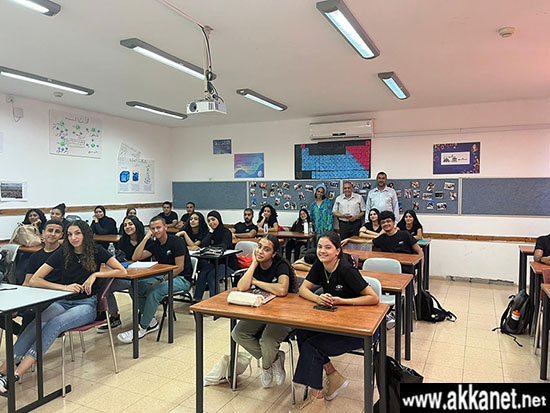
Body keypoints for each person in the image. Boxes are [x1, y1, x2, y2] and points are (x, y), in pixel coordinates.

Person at [0, 221, 127, 393]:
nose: (73, 237)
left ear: (85, 234)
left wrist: (96, 274)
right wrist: (64, 288)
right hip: (62, 301)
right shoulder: (63, 252)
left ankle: (14, 375)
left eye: (77, 233)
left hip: (86, 304)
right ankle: (4, 370)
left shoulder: (97, 251)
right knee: (37, 323)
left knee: (55, 323)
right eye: (69, 234)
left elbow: (122, 271)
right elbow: (35, 279)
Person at [292, 231, 379, 412]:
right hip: (337, 322)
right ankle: (332, 376)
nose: (322, 251)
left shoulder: (346, 270)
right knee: (302, 333)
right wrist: (317, 298)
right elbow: (303, 289)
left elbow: (373, 298)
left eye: (328, 247)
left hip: (361, 328)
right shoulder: (320, 264)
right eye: (319, 247)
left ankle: (316, 398)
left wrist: (343, 301)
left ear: (338, 251)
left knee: (313, 347)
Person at [231, 235, 295, 388]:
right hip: (262, 311)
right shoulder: (257, 264)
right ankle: (275, 359)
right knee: (238, 333)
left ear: (273, 254)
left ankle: (266, 367)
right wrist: (253, 263)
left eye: (266, 249)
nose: (260, 251)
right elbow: (241, 287)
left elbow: (282, 289)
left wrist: (256, 282)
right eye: (259, 246)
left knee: (267, 341)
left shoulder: (281, 266)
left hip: (284, 314)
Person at [117, 216, 192, 343]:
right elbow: (136, 257)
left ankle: (142, 328)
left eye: (158, 227)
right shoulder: (154, 244)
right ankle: (151, 321)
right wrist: (146, 238)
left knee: (155, 291)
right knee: (135, 286)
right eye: (153, 228)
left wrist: (161, 281)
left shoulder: (176, 241)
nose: (156, 231)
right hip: (163, 276)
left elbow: (179, 267)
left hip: (182, 278)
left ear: (165, 227)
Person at [0, 219, 64, 336]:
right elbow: (27, 282)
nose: (53, 234)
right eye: (50, 230)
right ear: (43, 233)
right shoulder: (35, 256)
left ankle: (24, 340)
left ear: (61, 235)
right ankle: (22, 334)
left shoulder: (65, 254)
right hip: (34, 294)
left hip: (55, 296)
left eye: (57, 232)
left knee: (30, 313)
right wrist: (17, 300)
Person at [97, 215, 146, 333]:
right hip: (126, 275)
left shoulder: (146, 240)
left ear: (137, 225)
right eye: (125, 225)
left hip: (144, 275)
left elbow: (137, 258)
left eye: (130, 224)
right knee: (105, 288)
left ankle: (146, 315)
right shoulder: (122, 241)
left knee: (136, 288)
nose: (127, 227)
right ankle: (114, 317)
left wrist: (146, 238)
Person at [194, 211, 236, 301]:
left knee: (212, 276)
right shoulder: (211, 233)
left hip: (228, 263)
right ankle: (197, 299)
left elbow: (223, 245)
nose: (211, 222)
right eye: (209, 221)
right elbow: (202, 245)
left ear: (219, 219)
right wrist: (210, 232)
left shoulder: (226, 232)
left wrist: (210, 248)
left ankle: (214, 301)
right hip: (215, 262)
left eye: (213, 219)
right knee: (202, 274)